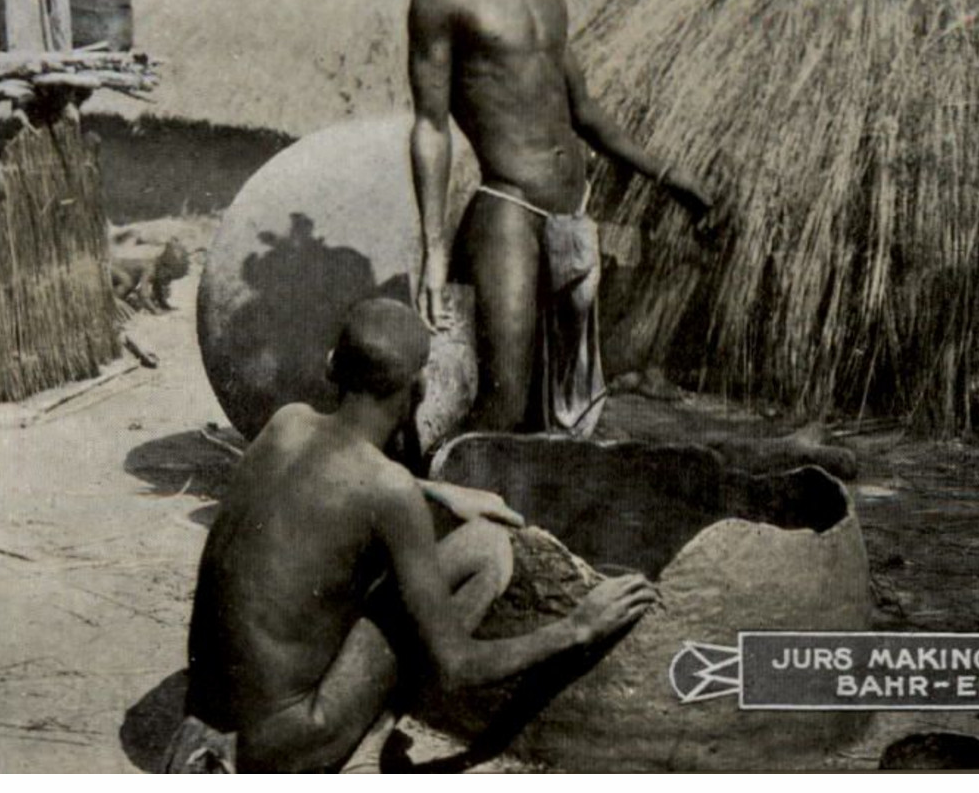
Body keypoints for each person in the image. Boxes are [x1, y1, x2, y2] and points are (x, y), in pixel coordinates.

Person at [163, 298, 658, 773]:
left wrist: (437, 491)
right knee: (486, 548)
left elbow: (330, 475)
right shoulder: (388, 491)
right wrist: (578, 627)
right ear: (416, 388)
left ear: (333, 365)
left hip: (197, 731)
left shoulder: (285, 423)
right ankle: (362, 746)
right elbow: (457, 665)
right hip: (278, 753)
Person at [388, 0, 720, 437]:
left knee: (565, 411)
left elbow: (586, 113)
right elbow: (430, 126)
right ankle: (444, 520)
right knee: (505, 403)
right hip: (508, 214)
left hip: (569, 222)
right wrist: (431, 250)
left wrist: (672, 179)